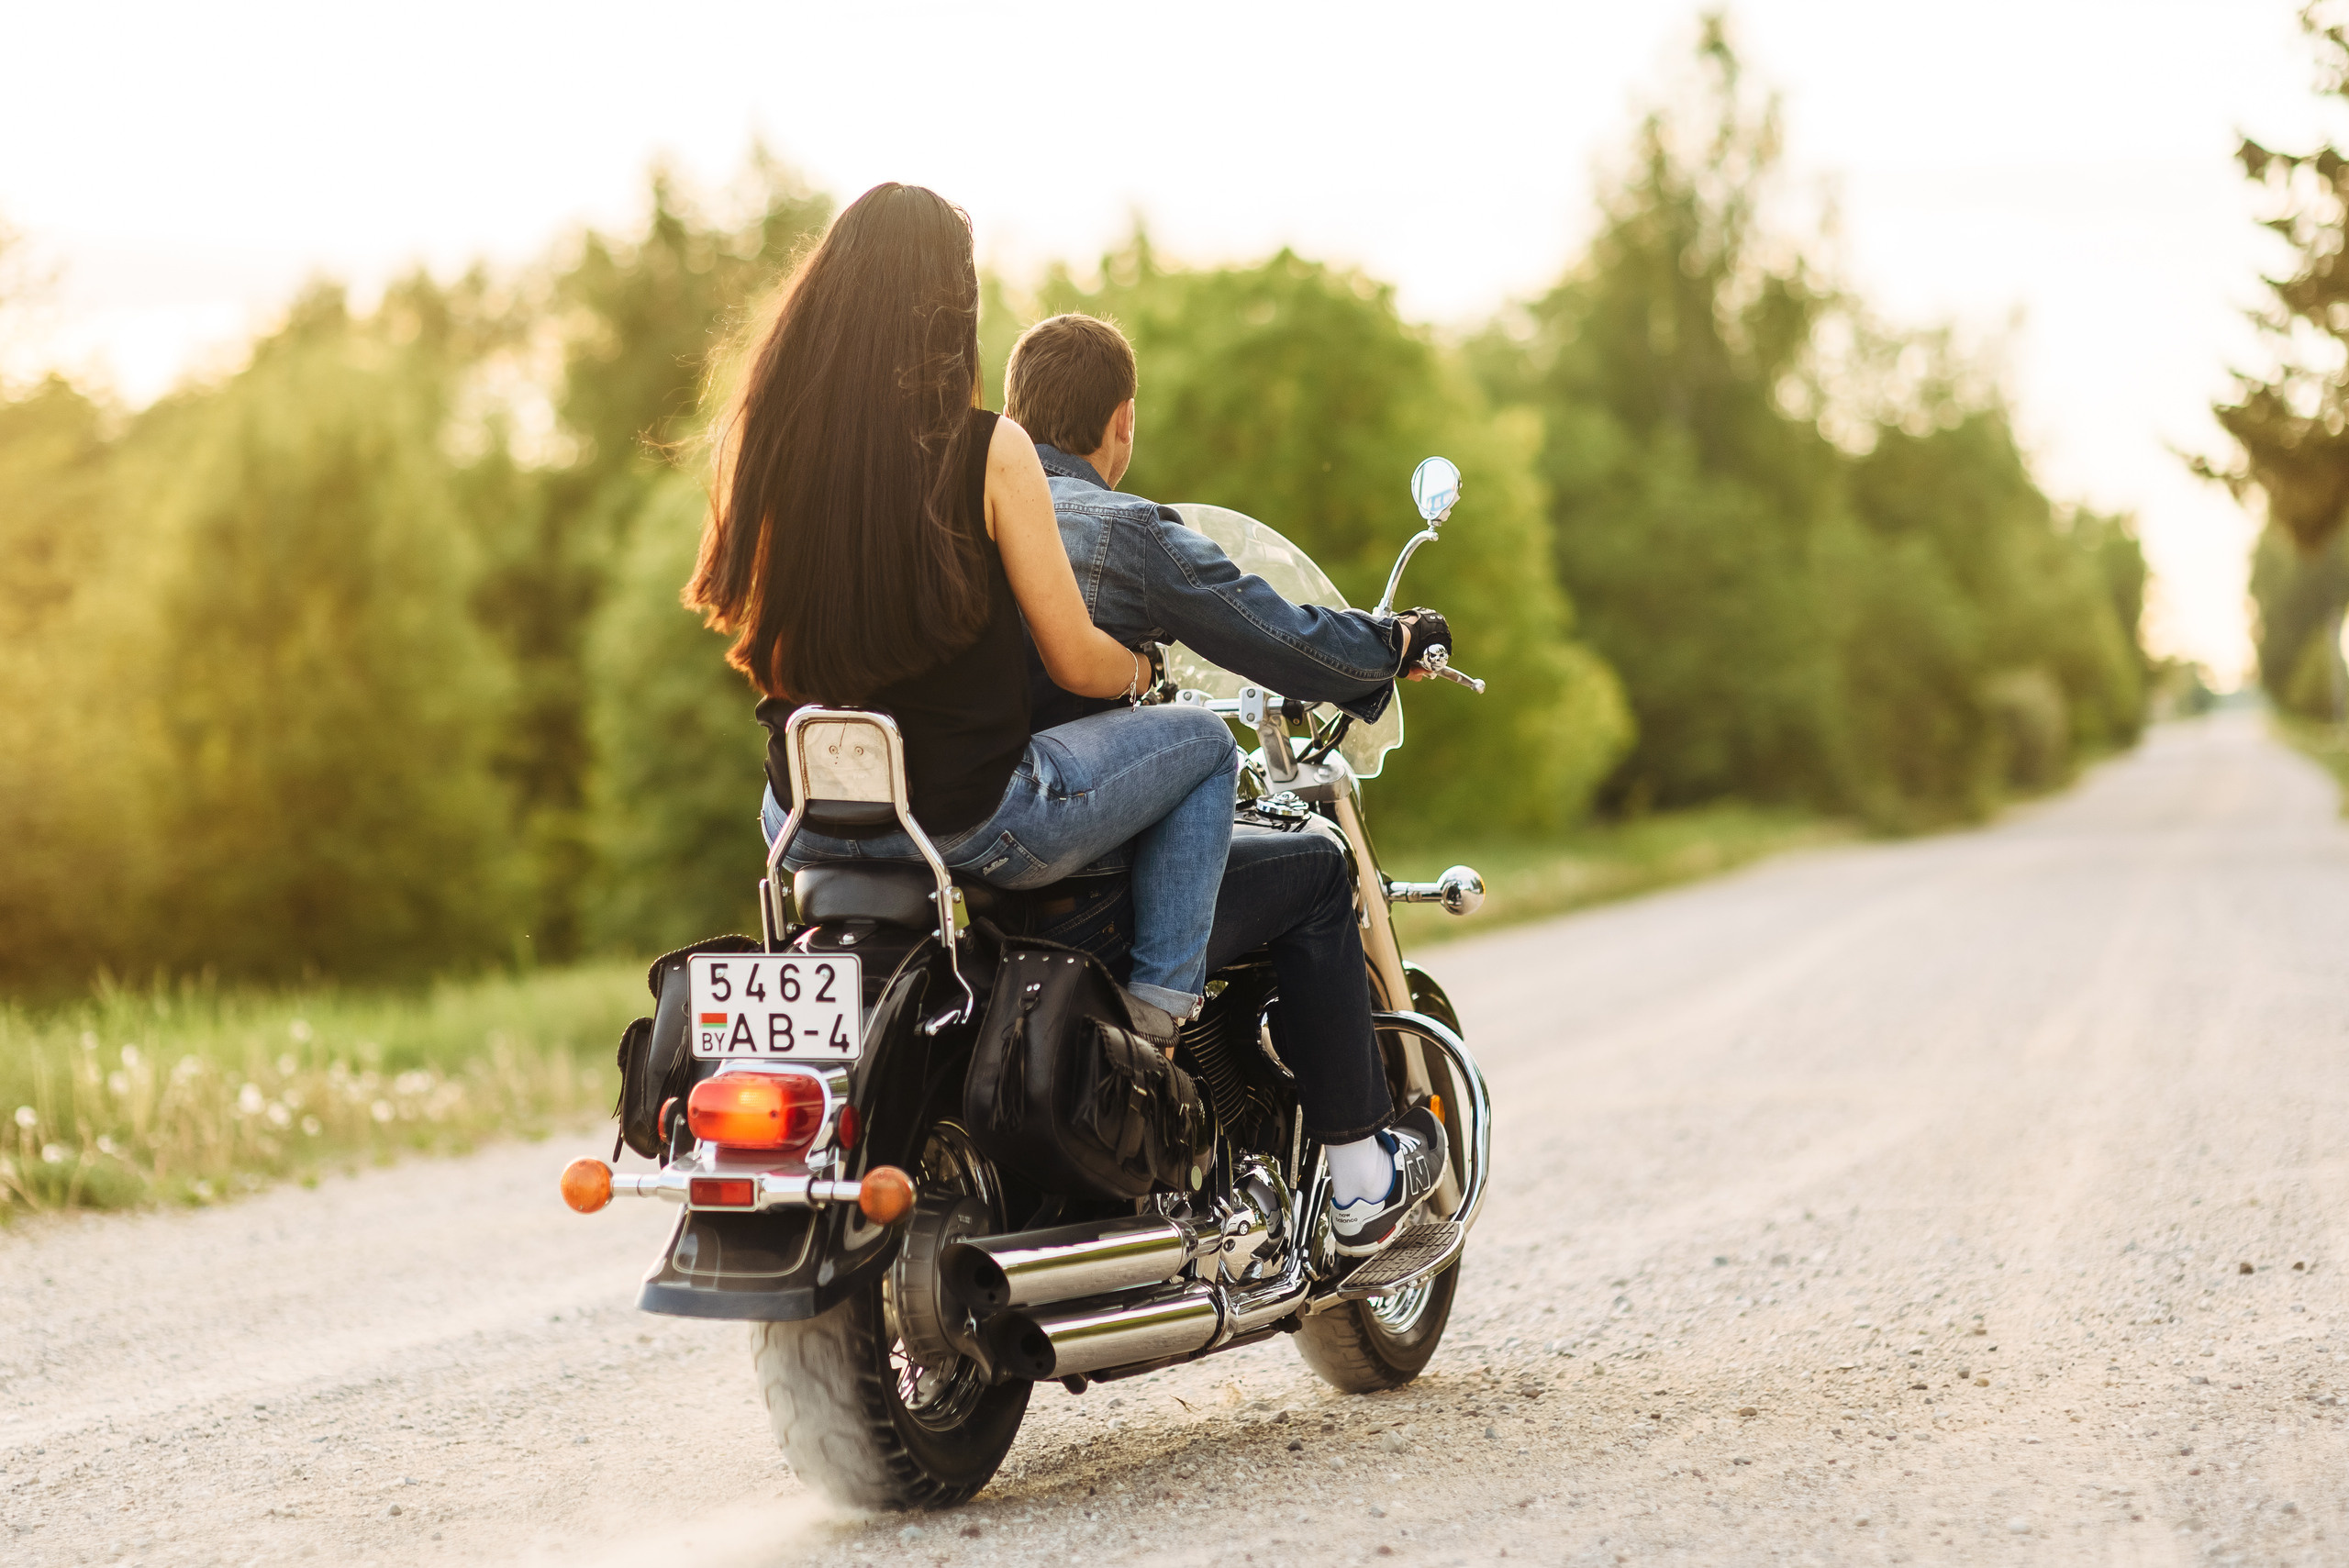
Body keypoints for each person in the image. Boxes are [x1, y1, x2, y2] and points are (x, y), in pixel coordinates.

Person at [684, 186, 1236, 1041]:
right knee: (1205, 744)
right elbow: (1073, 660)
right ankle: (1158, 1016)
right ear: (951, 309)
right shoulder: (990, 448)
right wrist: (1147, 671)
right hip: (966, 820)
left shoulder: (771, 445)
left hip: (800, 814)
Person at [1000, 312, 1451, 1256]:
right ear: (1121, 420)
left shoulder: (956, 517)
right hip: (1072, 856)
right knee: (1317, 870)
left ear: (1013, 411)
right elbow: (1276, 631)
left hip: (966, 839)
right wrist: (1394, 642)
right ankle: (1362, 1177)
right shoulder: (1119, 530)